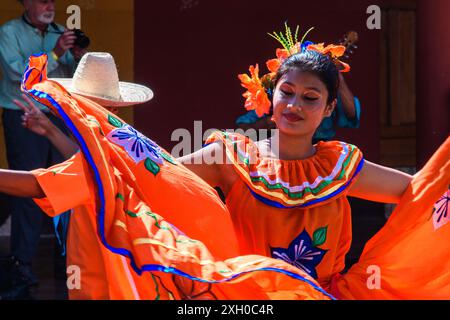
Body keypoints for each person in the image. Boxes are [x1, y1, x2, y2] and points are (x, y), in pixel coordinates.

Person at [1, 52, 339, 300]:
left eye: (309, 98)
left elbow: (38, 183)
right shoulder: (118, 148)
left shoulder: (112, 151)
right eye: (288, 92)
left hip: (110, 281)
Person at [177, 29, 450, 298]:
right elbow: (157, 170)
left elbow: (425, 194)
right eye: (286, 92)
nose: (295, 105)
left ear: (329, 108)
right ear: (271, 97)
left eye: (310, 98)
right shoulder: (232, 158)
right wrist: (131, 144)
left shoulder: (338, 167)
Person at [0, 0, 87, 287]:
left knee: (67, 186)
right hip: (23, 115)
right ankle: (21, 265)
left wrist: (76, 56)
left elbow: (73, 80)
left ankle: (67, 261)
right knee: (29, 187)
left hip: (59, 116)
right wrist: (56, 52)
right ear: (26, 3)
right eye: (41, 0)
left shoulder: (61, 31)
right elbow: (19, 75)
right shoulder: (9, 32)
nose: (49, 5)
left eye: (52, 0)